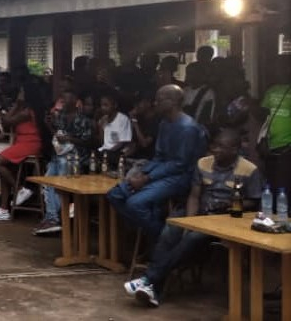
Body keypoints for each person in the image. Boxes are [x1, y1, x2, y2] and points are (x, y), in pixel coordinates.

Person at [124, 128, 261, 307]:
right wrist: (190, 222)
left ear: (235, 149)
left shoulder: (249, 170)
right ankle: (152, 288)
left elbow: (255, 202)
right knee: (171, 229)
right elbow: (195, 196)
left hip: (225, 220)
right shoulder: (203, 163)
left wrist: (232, 205)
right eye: (215, 145)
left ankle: (150, 280)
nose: (216, 150)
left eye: (222, 147)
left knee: (193, 238)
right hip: (200, 213)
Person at [106, 85, 208, 243]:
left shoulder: (188, 128)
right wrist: (144, 173)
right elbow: (159, 156)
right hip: (160, 172)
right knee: (115, 194)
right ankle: (152, 230)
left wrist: (147, 178)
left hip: (180, 177)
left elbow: (179, 165)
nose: (155, 103)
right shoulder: (164, 123)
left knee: (135, 204)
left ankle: (163, 242)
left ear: (172, 102)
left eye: (159, 100)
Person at [33, 89, 95, 234]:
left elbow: (89, 142)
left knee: (59, 183)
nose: (64, 102)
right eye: (62, 100)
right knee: (47, 182)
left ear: (75, 101)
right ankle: (52, 218)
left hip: (76, 157)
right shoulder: (60, 116)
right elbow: (58, 136)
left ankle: (56, 218)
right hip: (60, 154)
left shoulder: (83, 119)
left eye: (66, 100)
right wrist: (49, 125)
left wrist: (69, 139)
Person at [0, 88, 45, 221]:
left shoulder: (26, 111)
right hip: (21, 142)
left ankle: (20, 189)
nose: (18, 95)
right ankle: (3, 209)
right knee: (4, 170)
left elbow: (6, 121)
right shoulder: (24, 109)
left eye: (21, 93)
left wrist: (16, 105)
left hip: (30, 143)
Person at [259, 55, 291, 192]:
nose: (275, 70)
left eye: (279, 67)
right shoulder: (271, 90)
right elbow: (264, 115)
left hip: (287, 146)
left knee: (285, 185)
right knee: (272, 185)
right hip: (271, 146)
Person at [97, 94, 133, 170]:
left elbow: (123, 142)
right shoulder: (104, 119)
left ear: (115, 105)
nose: (103, 108)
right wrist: (100, 127)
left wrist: (109, 152)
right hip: (105, 151)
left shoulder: (123, 119)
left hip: (118, 151)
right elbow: (102, 142)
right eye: (101, 105)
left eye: (106, 105)